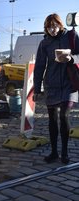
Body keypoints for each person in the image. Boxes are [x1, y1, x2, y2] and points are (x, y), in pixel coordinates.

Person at [33, 13, 79, 164]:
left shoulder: (71, 37)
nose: (52, 29)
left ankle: (64, 153)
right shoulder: (44, 43)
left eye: (54, 25)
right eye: (49, 27)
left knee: (64, 116)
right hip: (51, 85)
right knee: (52, 120)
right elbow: (39, 66)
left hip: (69, 84)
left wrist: (71, 58)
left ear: (60, 25)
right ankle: (54, 152)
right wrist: (37, 88)